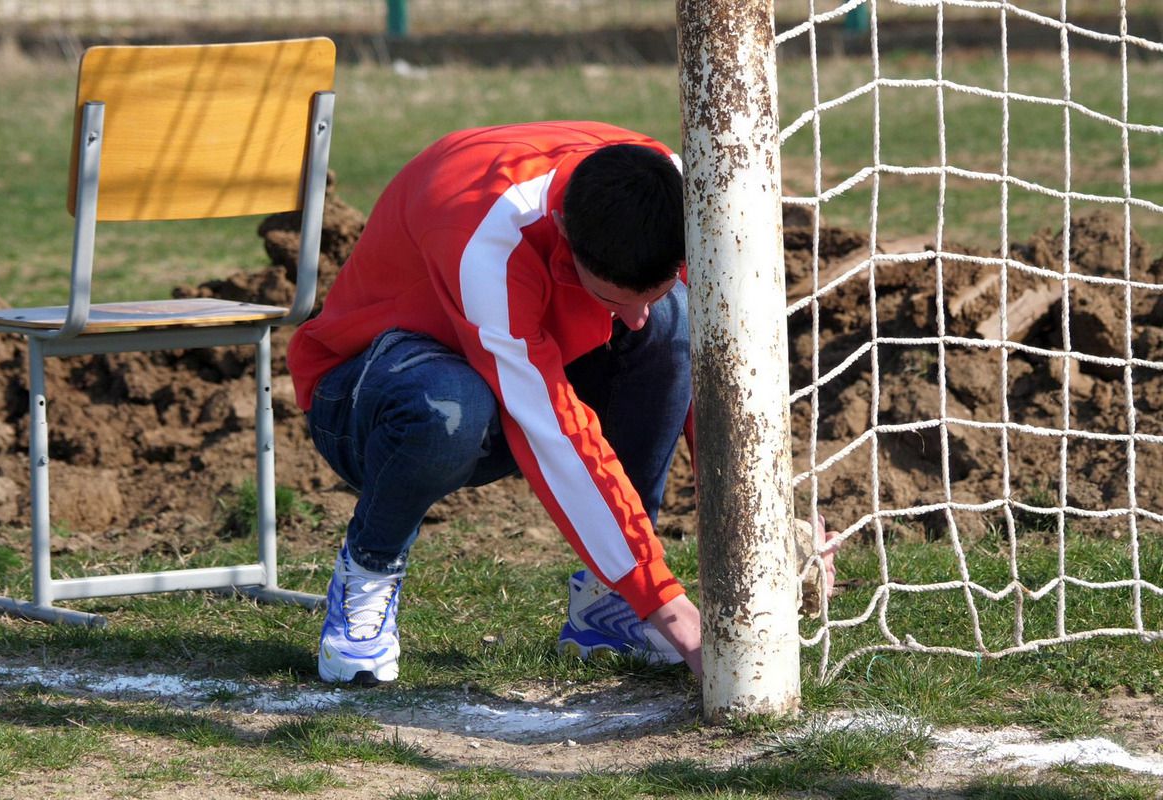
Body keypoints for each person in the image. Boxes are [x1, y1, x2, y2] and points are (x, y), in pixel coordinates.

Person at [287, 120, 833, 686]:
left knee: (671, 326)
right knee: (449, 410)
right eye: (612, 299)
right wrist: (669, 606)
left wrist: (768, 518)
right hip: (367, 394)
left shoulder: (669, 190)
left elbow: (717, 374)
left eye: (652, 289)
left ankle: (607, 604)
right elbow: (552, 432)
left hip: (511, 365)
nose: (633, 318)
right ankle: (368, 574)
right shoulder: (486, 239)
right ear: (567, 234)